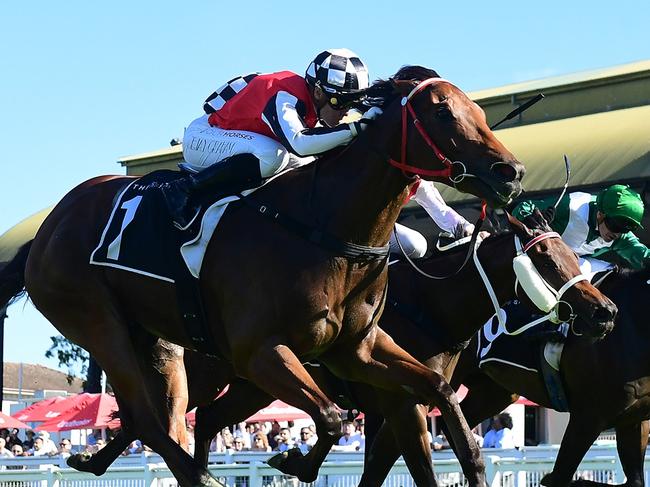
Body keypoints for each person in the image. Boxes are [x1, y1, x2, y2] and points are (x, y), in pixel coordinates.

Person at [163, 48, 377, 228]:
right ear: (319, 92)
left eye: (353, 104)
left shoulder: (311, 97)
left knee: (309, 163)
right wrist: (355, 129)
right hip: (202, 136)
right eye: (341, 103)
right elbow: (300, 143)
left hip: (229, 134)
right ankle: (184, 189)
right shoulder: (285, 95)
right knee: (274, 155)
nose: (346, 113)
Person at [513, 184, 649, 271]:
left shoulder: (620, 235)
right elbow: (523, 207)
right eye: (615, 225)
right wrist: (533, 220)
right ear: (600, 215)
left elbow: (641, 255)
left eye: (625, 229)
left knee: (611, 273)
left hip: (568, 266)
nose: (617, 233)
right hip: (531, 258)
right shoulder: (570, 206)